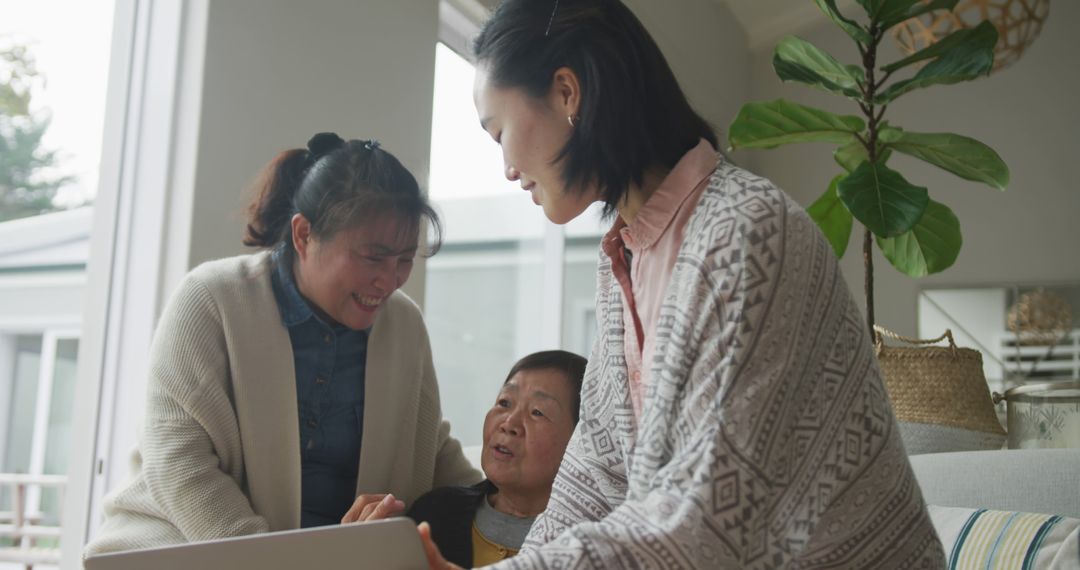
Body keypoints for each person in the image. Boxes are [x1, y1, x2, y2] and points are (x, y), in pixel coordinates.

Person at [418, 0, 947, 568]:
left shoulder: (745, 231)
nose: (506, 167)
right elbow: (595, 478)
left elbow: (703, 519)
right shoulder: (624, 258)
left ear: (568, 93)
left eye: (499, 132)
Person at [84, 133, 481, 556]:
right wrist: (275, 560)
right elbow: (178, 461)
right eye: (373, 257)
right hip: (186, 549)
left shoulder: (404, 324)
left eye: (404, 260)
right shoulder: (210, 299)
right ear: (304, 234)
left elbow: (428, 446)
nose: (390, 280)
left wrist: (510, 510)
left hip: (336, 559)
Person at [344, 350, 586, 568]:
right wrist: (355, 556)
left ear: (583, 441)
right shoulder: (435, 515)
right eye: (504, 403)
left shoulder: (589, 545)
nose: (509, 422)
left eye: (537, 412)